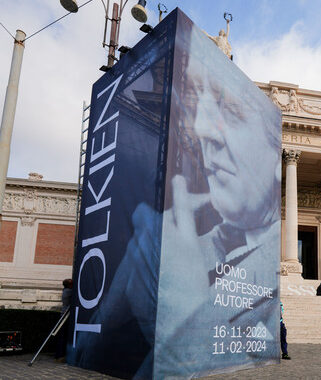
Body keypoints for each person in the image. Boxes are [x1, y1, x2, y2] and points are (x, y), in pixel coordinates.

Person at [71, 18, 282, 379]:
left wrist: (183, 307)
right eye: (198, 106)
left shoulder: (261, 281)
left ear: (276, 155)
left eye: (229, 111)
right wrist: (90, 344)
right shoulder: (182, 241)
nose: (201, 130)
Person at [54, 278, 72, 362]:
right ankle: (60, 356)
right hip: (65, 316)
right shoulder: (69, 291)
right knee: (62, 336)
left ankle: (59, 355)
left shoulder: (65, 290)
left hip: (64, 315)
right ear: (69, 285)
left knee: (62, 336)